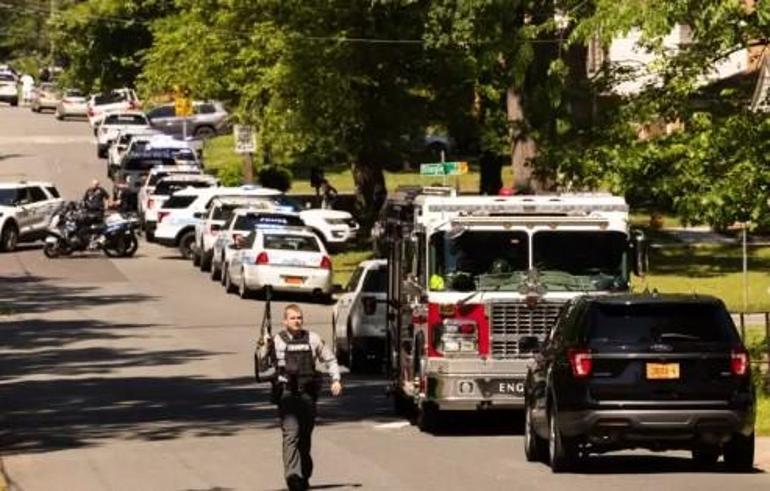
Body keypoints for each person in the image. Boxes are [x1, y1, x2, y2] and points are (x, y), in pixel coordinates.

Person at [273, 304, 342, 491]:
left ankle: (304, 474)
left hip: (307, 395)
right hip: (287, 394)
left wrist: (335, 379)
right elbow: (263, 365)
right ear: (285, 321)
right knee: (291, 435)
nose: (297, 321)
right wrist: (262, 347)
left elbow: (330, 359)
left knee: (304, 437)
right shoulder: (277, 341)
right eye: (293, 318)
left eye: (299, 318)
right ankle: (292, 476)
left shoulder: (313, 339)